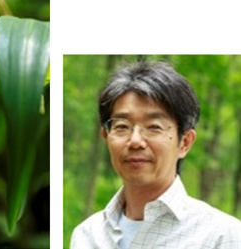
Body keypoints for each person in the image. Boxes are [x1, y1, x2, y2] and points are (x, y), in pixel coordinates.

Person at [70, 61, 241, 249]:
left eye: (154, 127)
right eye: (122, 127)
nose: (135, 141)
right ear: (106, 137)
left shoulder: (221, 236)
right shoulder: (86, 235)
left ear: (184, 142)